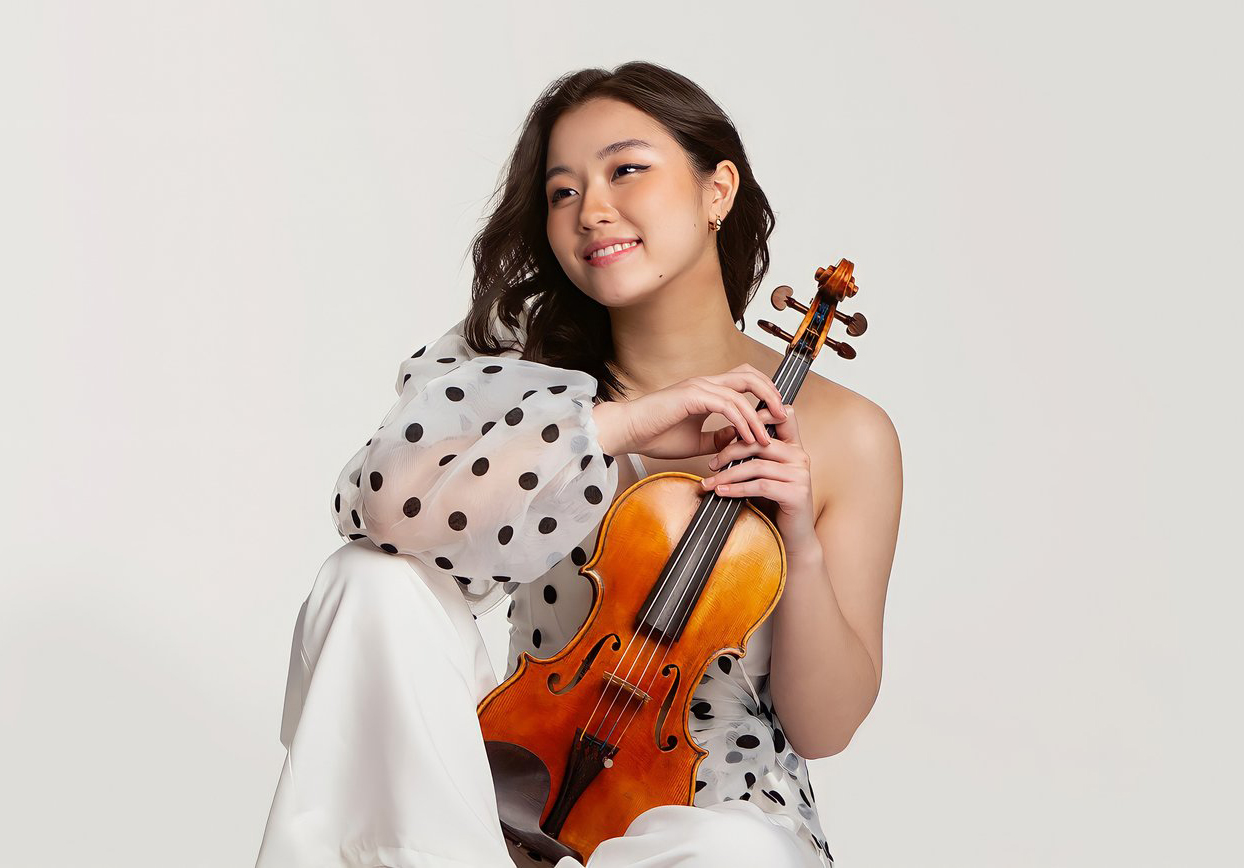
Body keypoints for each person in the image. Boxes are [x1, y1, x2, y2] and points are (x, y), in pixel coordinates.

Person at [255, 61, 902, 868]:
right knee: (369, 579)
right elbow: (378, 509)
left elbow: (826, 728)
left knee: (740, 854)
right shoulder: (517, 372)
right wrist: (614, 424)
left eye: (626, 169)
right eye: (563, 191)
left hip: (707, 824)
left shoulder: (849, 431)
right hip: (506, 806)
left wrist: (797, 542)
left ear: (717, 190)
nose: (592, 210)